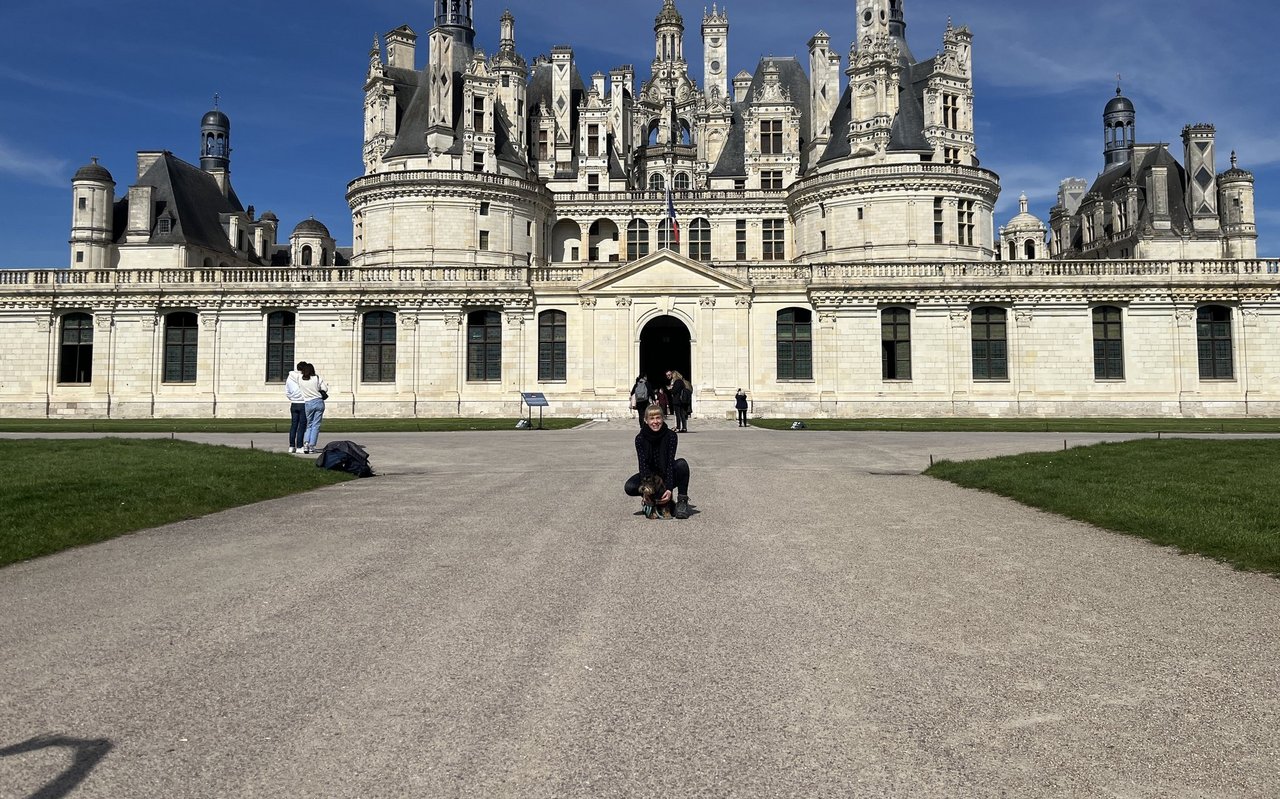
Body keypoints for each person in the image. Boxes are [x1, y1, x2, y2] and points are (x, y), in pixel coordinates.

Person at [624, 404, 691, 519]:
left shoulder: (671, 436)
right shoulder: (640, 438)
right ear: (646, 420)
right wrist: (646, 490)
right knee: (630, 486)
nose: (655, 422)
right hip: (650, 476)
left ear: (662, 418)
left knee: (681, 464)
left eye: (658, 417)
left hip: (665, 472)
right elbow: (643, 465)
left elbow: (670, 463)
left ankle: (682, 501)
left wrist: (669, 489)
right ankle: (652, 499)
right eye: (651, 418)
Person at [297, 362, 331, 455]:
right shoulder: (317, 378)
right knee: (316, 425)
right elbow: (325, 389)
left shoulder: (300, 379)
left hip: (308, 403)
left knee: (309, 424)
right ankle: (312, 446)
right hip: (318, 401)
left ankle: (306, 444)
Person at [284, 361, 308, 452]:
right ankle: (299, 446)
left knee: (294, 425)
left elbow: (287, 391)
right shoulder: (304, 377)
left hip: (294, 403)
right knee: (302, 425)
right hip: (303, 402)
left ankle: (291, 446)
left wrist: (292, 398)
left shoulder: (290, 377)